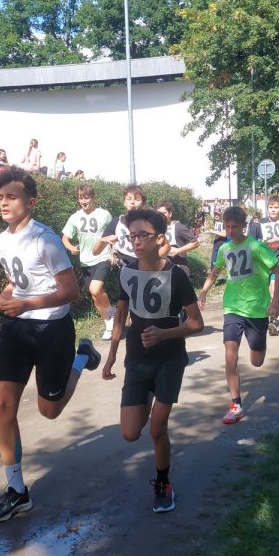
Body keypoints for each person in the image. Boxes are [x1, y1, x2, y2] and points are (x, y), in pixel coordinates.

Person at [0, 167, 101, 523]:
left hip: (51, 330)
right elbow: (15, 284)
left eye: (11, 197)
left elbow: (71, 292)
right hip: (16, 329)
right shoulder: (1, 241)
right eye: (1, 197)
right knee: (3, 405)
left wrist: (28, 304)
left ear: (30, 201)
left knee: (50, 410)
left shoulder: (45, 239)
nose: (4, 203)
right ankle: (16, 491)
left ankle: (82, 357)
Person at [101, 208, 204, 513]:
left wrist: (164, 334)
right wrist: (111, 355)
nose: (135, 241)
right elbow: (121, 312)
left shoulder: (176, 275)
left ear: (159, 238)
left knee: (158, 428)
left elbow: (196, 323)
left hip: (170, 358)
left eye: (142, 235)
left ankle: (163, 483)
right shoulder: (126, 272)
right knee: (130, 433)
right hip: (137, 357)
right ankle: (146, 394)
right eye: (131, 235)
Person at [198, 206, 279, 424]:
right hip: (232, 307)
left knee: (257, 361)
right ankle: (236, 404)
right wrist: (204, 291)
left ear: (243, 226)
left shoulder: (256, 247)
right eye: (227, 227)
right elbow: (215, 272)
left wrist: (275, 300)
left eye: (234, 227)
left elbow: (277, 271)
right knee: (230, 354)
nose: (230, 231)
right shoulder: (224, 249)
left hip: (257, 308)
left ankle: (261, 342)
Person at [62, 184, 116, 340]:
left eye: (86, 197)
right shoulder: (74, 217)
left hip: (103, 256)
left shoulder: (104, 214)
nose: (83, 201)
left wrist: (113, 253)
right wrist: (71, 247)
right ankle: (108, 324)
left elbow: (114, 235)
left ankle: (111, 313)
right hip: (85, 261)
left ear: (93, 198)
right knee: (94, 295)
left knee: (95, 288)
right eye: (80, 198)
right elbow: (65, 238)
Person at [248, 196, 279, 327]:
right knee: (265, 293)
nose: (273, 210)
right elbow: (249, 242)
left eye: (276, 207)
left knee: (273, 290)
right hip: (263, 263)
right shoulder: (259, 224)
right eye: (271, 207)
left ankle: (273, 321)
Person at [94, 185, 146, 269]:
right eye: (129, 199)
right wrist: (102, 241)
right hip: (124, 271)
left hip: (146, 270)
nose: (132, 202)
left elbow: (163, 247)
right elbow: (95, 252)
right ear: (124, 202)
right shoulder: (116, 222)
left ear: (143, 203)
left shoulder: (150, 223)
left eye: (137, 199)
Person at [155, 201, 201, 277]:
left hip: (180, 270)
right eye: (158, 214)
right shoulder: (156, 228)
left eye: (163, 213)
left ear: (170, 213)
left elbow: (196, 242)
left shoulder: (178, 227)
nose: (161, 216)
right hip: (163, 271)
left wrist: (178, 251)